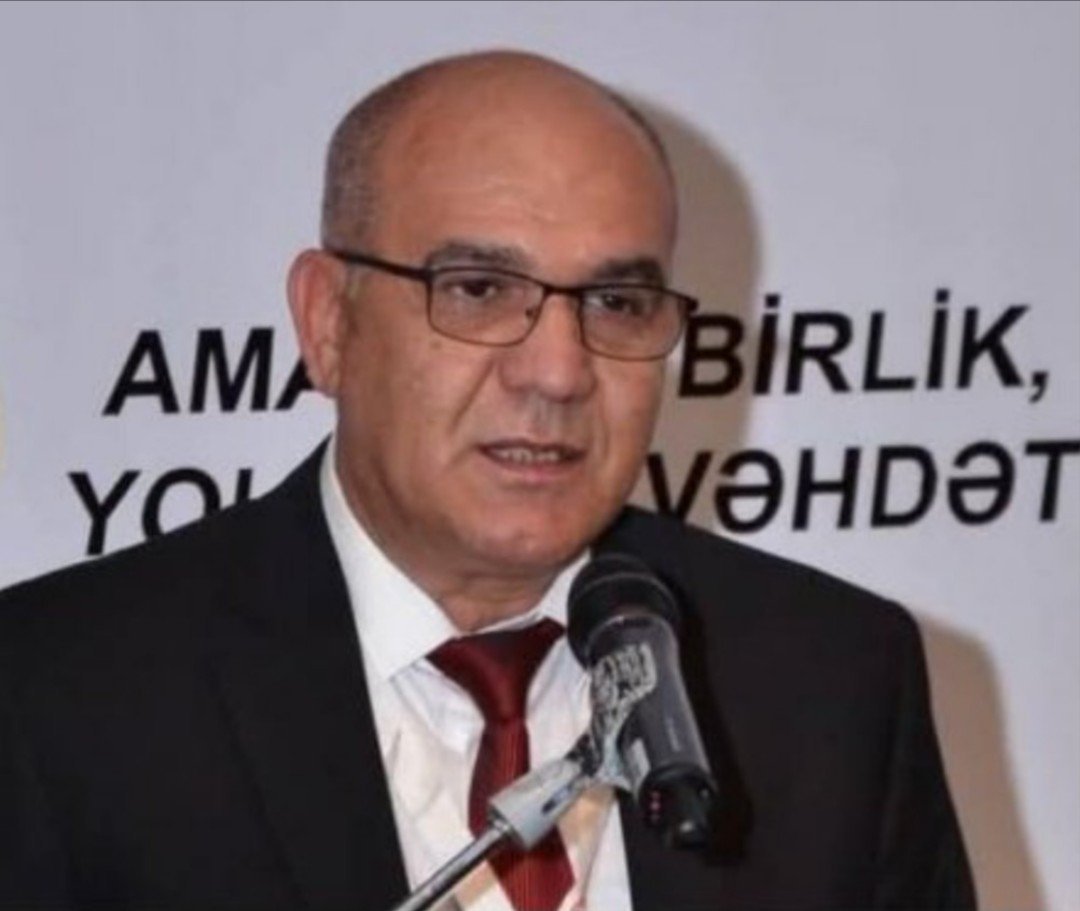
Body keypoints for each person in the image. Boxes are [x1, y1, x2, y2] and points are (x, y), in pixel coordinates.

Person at [0, 50, 975, 910]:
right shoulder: (58, 696)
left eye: (617, 301)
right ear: (329, 322)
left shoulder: (830, 678)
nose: (558, 371)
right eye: (477, 290)